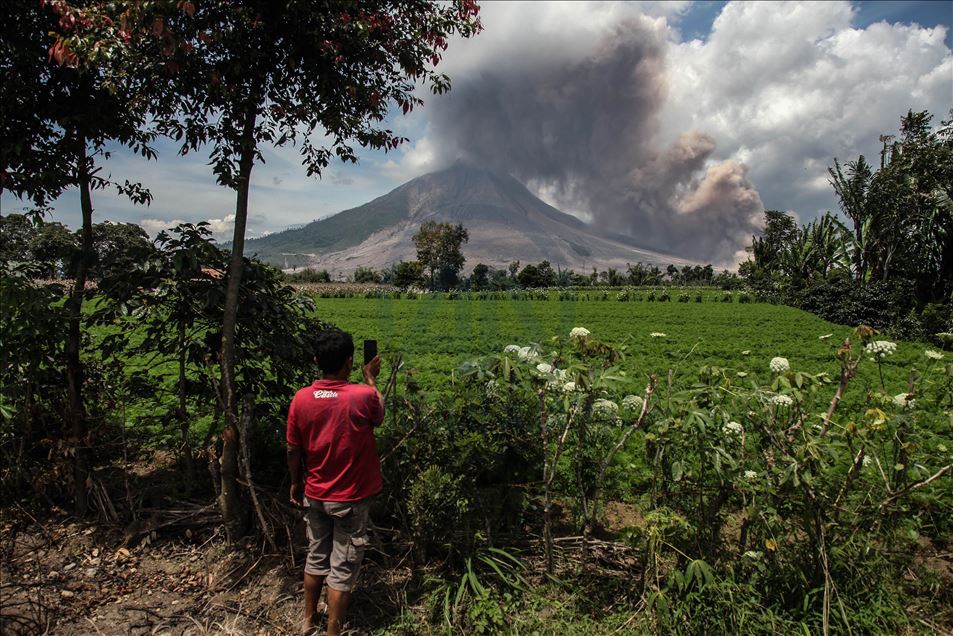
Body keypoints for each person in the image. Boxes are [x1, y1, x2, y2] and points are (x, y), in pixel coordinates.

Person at [287, 329, 384, 636]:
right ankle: (333, 632)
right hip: (350, 499)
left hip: (315, 494)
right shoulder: (363, 395)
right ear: (349, 362)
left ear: (317, 361)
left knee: (316, 557)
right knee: (341, 569)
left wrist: (294, 483)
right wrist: (370, 378)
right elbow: (378, 416)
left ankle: (308, 620)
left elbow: (293, 448)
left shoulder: (301, 399)